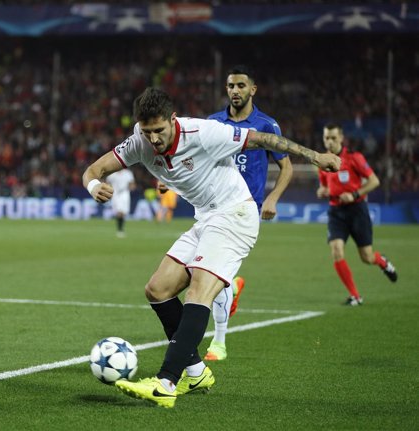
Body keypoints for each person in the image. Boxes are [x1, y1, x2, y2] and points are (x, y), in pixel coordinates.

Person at [83, 87, 340, 408]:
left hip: (235, 215)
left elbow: (262, 139)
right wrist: (94, 186)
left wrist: (316, 157)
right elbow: (94, 170)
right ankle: (195, 370)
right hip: (205, 219)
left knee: (198, 292)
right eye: (147, 132)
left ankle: (166, 383)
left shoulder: (204, 133)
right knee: (158, 289)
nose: (153, 140)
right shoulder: (139, 142)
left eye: (159, 131)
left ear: (173, 121)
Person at [203, 65, 293, 361]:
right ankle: (232, 287)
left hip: (245, 210)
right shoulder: (213, 122)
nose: (235, 91)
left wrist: (273, 198)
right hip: (212, 206)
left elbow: (287, 166)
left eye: (241, 85)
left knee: (212, 272)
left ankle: (218, 342)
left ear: (252, 89)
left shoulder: (267, 125)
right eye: (231, 86)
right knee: (211, 273)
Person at [316, 123, 398, 306]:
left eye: (333, 138)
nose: (329, 142)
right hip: (336, 212)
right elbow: (324, 185)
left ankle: (382, 262)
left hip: (357, 210)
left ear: (341, 138)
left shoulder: (354, 158)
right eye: (326, 138)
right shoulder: (321, 161)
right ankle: (355, 296)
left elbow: (374, 181)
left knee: (367, 257)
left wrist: (354, 194)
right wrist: (322, 190)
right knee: (336, 251)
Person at [104, 168, 135, 237]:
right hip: (115, 194)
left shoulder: (128, 173)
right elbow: (107, 182)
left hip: (125, 193)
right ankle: (120, 230)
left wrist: (131, 187)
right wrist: (109, 189)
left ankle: (120, 229)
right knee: (119, 212)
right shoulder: (112, 173)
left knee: (123, 213)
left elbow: (132, 183)